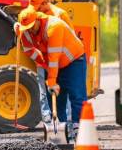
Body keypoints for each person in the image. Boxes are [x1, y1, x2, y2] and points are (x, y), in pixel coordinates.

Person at [17, 7, 87, 139]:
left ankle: (80, 131)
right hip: (53, 62)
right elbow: (28, 49)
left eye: (32, 26)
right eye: (26, 27)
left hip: (74, 60)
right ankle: (62, 130)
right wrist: (42, 62)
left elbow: (54, 58)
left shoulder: (54, 26)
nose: (30, 30)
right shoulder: (25, 30)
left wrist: (52, 81)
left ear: (38, 19)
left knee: (77, 95)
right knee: (54, 97)